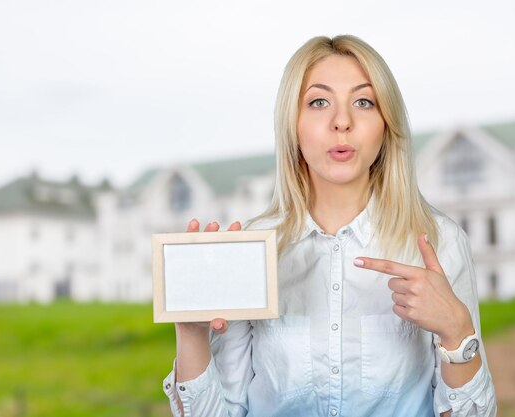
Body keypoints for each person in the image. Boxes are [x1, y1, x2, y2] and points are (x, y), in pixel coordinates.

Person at [162, 34, 496, 417]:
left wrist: (457, 333)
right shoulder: (254, 250)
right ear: (293, 123)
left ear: (386, 124)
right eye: (319, 102)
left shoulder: (440, 241)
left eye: (364, 102)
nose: (342, 122)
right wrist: (190, 334)